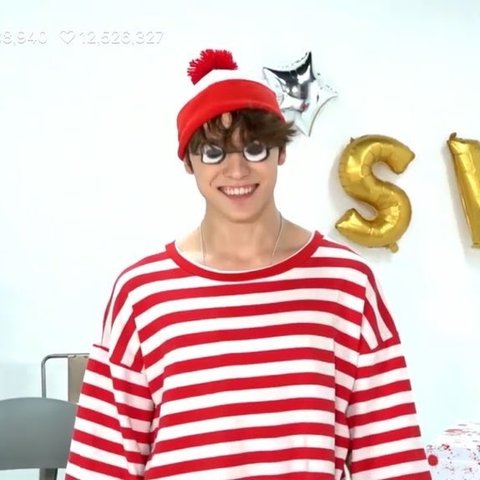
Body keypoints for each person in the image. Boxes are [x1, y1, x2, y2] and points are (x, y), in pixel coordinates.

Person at [65, 49, 432, 480]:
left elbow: (390, 454)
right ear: (188, 163)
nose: (236, 170)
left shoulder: (346, 282)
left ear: (281, 153)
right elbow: (104, 461)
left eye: (255, 149)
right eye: (214, 153)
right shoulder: (142, 292)